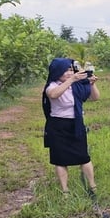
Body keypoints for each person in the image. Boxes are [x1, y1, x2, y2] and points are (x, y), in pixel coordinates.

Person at [42, 58, 100, 194]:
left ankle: (92, 186)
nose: (69, 73)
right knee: (60, 160)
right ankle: (65, 190)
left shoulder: (77, 85)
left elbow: (95, 98)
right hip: (58, 125)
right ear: (57, 72)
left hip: (76, 124)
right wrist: (72, 79)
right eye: (65, 70)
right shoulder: (52, 85)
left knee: (84, 157)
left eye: (70, 70)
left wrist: (92, 84)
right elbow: (54, 94)